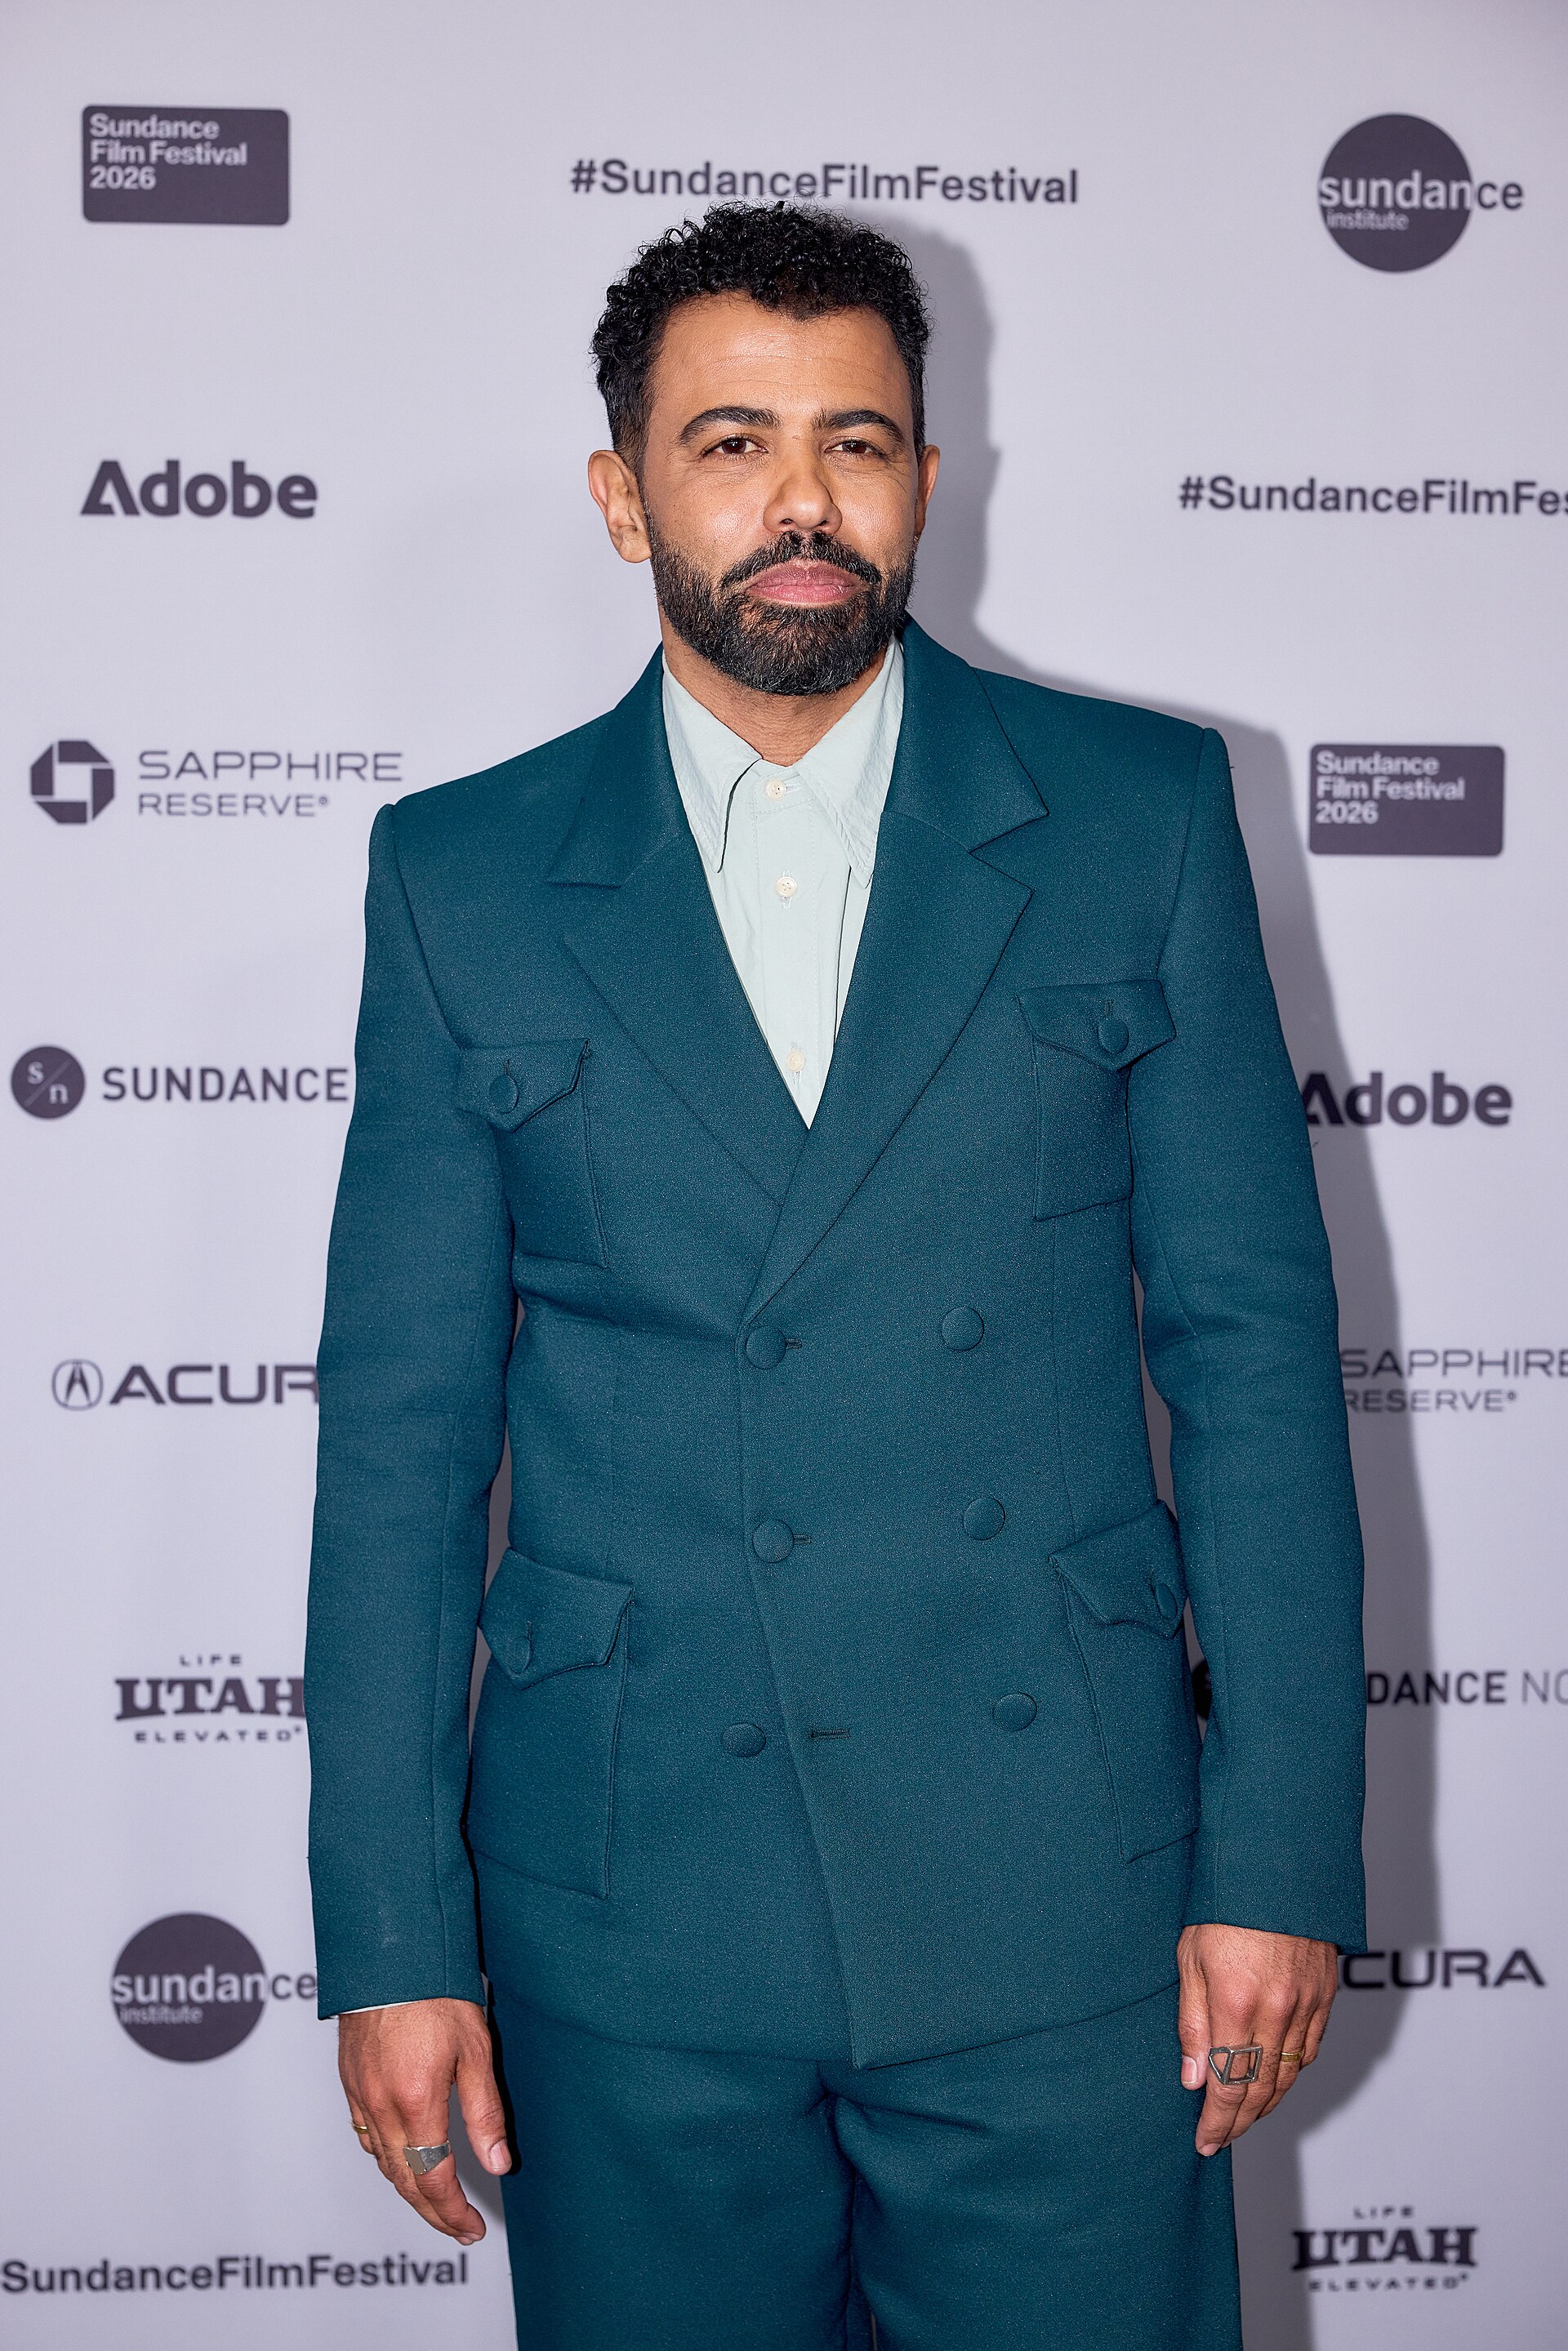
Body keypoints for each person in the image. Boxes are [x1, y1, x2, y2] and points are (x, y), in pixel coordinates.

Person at [305, 203, 1365, 2349]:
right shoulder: (465, 875)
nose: (802, 498)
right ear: (625, 496)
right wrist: (392, 1932)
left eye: (858, 441)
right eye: (730, 439)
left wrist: (1282, 1862)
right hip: (628, 1922)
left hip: (1060, 1896)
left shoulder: (1139, 813)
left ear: (927, 482)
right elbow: (403, 1452)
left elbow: (1257, 1367)